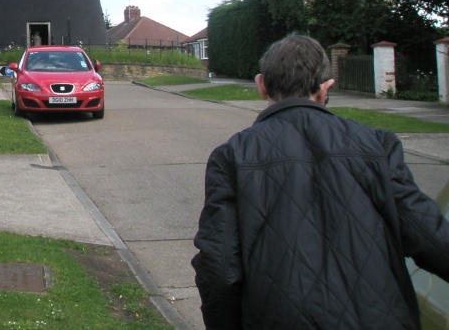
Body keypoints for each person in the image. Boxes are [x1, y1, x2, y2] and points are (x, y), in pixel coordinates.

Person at [192, 34, 449, 329]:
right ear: (325, 88)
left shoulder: (232, 155)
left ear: (261, 85)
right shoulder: (378, 145)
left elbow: (219, 266)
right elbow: (431, 236)